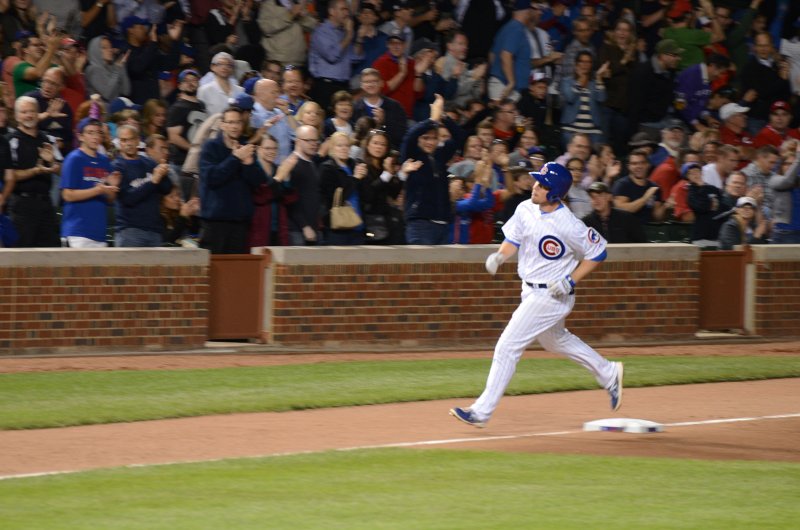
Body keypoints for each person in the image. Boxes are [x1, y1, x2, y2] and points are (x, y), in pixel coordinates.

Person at [449, 162, 623, 428]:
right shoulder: (525, 208)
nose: (535, 187)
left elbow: (598, 252)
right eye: (537, 182)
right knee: (555, 341)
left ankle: (480, 412)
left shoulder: (569, 224)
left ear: (555, 192)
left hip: (552, 294)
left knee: (507, 346)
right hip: (529, 289)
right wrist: (500, 256)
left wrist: (570, 280)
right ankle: (609, 372)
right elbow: (513, 239)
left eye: (542, 185)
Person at [198, 106, 265, 254]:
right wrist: (235, 158)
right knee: (213, 265)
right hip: (215, 222)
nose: (235, 126)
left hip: (240, 222)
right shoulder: (210, 147)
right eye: (230, 122)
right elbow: (212, 177)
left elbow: (258, 182)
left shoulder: (245, 148)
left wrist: (248, 164)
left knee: (236, 266)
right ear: (222, 125)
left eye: (238, 122)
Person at [3, 95, 62, 247]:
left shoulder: (48, 140)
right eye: (24, 112)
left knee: (53, 252)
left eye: (32, 111)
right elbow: (10, 175)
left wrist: (52, 162)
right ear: (16, 116)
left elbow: (61, 171)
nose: (28, 115)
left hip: (46, 204)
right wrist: (35, 171)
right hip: (21, 205)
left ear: (38, 113)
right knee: (21, 253)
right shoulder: (10, 141)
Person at [400, 94, 459, 244]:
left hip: (443, 224)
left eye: (434, 138)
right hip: (420, 223)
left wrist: (443, 117)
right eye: (425, 138)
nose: (430, 142)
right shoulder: (412, 154)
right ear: (419, 140)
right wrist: (432, 120)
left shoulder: (440, 155)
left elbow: (460, 138)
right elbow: (410, 136)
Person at [60, 118, 120, 247]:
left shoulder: (104, 161)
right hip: (78, 231)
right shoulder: (74, 159)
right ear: (80, 136)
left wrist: (112, 187)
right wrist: (97, 190)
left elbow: (110, 199)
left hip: (99, 232)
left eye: (98, 133)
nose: (95, 137)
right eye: (90, 132)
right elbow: (67, 195)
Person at [114, 128, 174, 246]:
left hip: (154, 230)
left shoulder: (150, 163)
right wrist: (153, 181)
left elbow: (166, 189)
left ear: (138, 140)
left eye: (131, 139)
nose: (128, 143)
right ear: (119, 143)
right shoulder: (117, 167)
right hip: (130, 230)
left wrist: (163, 174)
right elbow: (127, 199)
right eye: (124, 140)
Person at [308, 0, 362, 110]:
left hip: (343, 86)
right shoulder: (321, 32)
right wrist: (349, 35)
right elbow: (332, 56)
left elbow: (355, 58)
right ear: (331, 11)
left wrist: (359, 38)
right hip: (325, 87)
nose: (346, 13)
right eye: (343, 9)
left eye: (347, 10)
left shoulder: (344, 33)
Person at [282, 124, 324, 245]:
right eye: (308, 140)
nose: (313, 144)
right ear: (297, 141)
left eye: (315, 140)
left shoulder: (311, 163)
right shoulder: (291, 164)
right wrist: (304, 226)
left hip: (314, 228)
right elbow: (290, 200)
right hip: (298, 230)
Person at [487, 0, 533, 102]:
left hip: (501, 84)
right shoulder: (516, 29)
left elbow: (492, 54)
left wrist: (496, 73)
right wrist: (511, 82)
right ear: (527, 12)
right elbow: (505, 55)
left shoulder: (507, 27)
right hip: (506, 87)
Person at [351, 67, 408, 149]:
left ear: (381, 83)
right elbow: (354, 137)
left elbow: (400, 136)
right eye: (367, 82)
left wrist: (384, 123)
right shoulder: (355, 108)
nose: (371, 85)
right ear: (361, 85)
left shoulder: (395, 107)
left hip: (388, 150)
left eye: (374, 81)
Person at [612, 149, 667, 224]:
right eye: (634, 163)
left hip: (649, 229)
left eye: (642, 163)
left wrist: (666, 206)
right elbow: (623, 210)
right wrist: (645, 198)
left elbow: (657, 217)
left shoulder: (654, 187)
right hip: (628, 229)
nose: (639, 166)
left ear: (648, 165)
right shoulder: (622, 185)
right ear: (629, 166)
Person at [257, 0, 318, 66]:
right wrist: (290, 15)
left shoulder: (296, 3)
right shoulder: (270, 4)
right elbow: (266, 28)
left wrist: (303, 17)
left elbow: (313, 27)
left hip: (299, 59)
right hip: (278, 61)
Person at [582, 181, 647, 243]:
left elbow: (642, 242)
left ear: (609, 197)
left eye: (600, 195)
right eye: (593, 197)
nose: (596, 200)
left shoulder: (625, 218)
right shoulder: (586, 223)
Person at [768, 143, 800, 244]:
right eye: (787, 164)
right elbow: (788, 180)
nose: (791, 167)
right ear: (781, 166)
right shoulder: (775, 179)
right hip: (785, 233)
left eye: (793, 164)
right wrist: (798, 158)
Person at [84, 35, 131, 104]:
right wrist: (117, 69)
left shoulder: (113, 68)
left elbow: (126, 91)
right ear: (95, 50)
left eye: (110, 47)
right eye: (104, 47)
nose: (110, 50)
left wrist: (122, 66)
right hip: (102, 109)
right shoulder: (92, 69)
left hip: (115, 107)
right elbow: (107, 94)